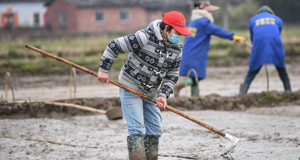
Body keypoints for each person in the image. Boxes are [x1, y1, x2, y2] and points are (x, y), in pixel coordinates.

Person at [97, 11, 192, 159]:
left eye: (181, 34)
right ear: (166, 28)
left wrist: (163, 94)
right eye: (177, 32)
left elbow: (172, 74)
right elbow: (114, 45)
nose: (179, 36)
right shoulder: (144, 38)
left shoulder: (177, 49)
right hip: (130, 87)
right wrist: (104, 70)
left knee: (155, 129)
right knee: (136, 129)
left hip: (151, 92)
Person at [174, 1, 246, 97]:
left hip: (188, 53)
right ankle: (179, 86)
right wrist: (233, 37)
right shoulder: (204, 23)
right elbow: (218, 31)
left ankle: (195, 98)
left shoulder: (193, 22)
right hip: (196, 55)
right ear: (203, 11)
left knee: (195, 77)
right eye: (209, 11)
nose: (211, 13)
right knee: (196, 77)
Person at [239, 6, 292, 95]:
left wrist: (256, 48)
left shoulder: (252, 20)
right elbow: (277, 34)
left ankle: (242, 94)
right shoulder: (278, 20)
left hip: (259, 46)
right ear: (271, 13)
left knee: (252, 72)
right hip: (275, 46)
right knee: (282, 71)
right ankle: (289, 92)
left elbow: (253, 38)